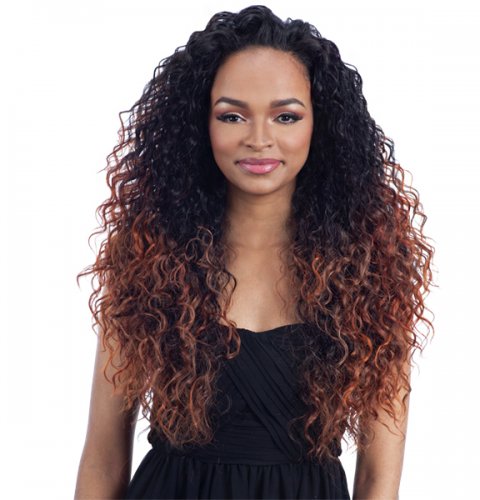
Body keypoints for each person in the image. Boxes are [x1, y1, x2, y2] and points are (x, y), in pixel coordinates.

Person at [74, 4, 435, 499]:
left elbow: (378, 480)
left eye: (286, 116)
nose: (259, 139)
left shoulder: (371, 268)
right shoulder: (149, 256)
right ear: (200, 124)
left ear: (321, 124)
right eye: (232, 115)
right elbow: (103, 461)